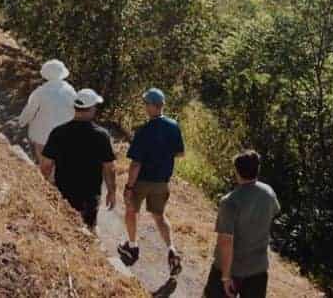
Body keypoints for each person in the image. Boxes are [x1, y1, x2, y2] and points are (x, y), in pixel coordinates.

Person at [118, 88, 185, 275]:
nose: (145, 107)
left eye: (146, 104)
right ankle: (172, 249)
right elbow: (180, 152)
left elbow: (136, 163)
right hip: (162, 181)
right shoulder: (174, 126)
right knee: (160, 216)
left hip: (142, 181)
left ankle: (132, 246)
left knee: (131, 210)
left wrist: (129, 186)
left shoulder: (144, 131)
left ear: (152, 106)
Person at [203, 151, 280, 298]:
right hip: (258, 269)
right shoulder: (269, 192)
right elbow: (274, 212)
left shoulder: (229, 201)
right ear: (257, 170)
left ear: (236, 171)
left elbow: (225, 242)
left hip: (230, 269)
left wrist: (225, 278)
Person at [40, 88, 117, 230]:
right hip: (90, 195)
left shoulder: (58, 132)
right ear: (92, 108)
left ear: (75, 107)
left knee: (65, 230)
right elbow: (109, 167)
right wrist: (112, 192)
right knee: (88, 231)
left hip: (63, 192)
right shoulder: (101, 135)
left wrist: (42, 189)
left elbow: (46, 165)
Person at [17, 59, 77, 162]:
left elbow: (30, 110)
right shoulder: (70, 91)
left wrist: (21, 122)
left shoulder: (40, 92)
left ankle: (46, 176)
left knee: (45, 165)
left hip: (42, 136)